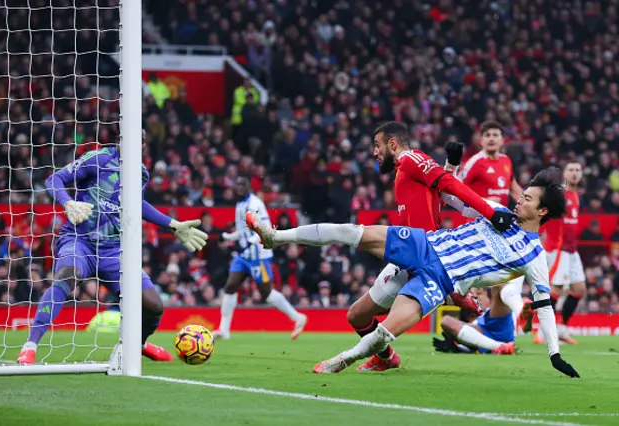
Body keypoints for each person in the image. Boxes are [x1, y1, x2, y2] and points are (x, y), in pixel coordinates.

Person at [245, 168, 580, 378]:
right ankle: (275, 236)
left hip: (441, 278)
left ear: (543, 210)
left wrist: (554, 353)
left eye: (527, 199)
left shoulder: (534, 257)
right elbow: (454, 195)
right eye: (521, 196)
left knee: (388, 329)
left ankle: (343, 360)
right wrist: (450, 169)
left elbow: (545, 308)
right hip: (424, 244)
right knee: (354, 232)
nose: (519, 201)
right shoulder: (500, 213)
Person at [17, 131, 208, 365]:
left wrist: (172, 224)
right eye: (127, 139)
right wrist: (67, 203)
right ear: (119, 140)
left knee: (154, 304)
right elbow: (54, 180)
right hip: (80, 240)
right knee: (67, 275)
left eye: (139, 142)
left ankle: (138, 345)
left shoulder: (140, 173)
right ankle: (30, 346)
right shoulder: (97, 159)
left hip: (113, 251)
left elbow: (137, 204)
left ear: (143, 146)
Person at [347, 122, 512, 372]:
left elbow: (449, 185)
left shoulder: (412, 158)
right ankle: (386, 357)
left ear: (393, 144)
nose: (374, 152)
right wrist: (452, 165)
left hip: (424, 257)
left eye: (377, 146)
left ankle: (458, 297)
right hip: (407, 257)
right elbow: (439, 198)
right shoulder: (406, 170)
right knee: (357, 315)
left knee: (381, 320)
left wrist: (490, 213)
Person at [214, 176, 307, 340]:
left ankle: (297, 317)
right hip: (244, 255)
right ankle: (224, 330)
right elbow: (243, 231)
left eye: (243, 185)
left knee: (267, 293)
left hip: (258, 255)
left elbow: (263, 229)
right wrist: (228, 237)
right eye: (238, 185)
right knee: (230, 286)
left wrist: (246, 244)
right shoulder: (240, 204)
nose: (240, 188)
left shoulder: (255, 205)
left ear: (249, 188)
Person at [456, 121, 526, 330]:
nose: (492, 138)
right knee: (472, 280)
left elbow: (514, 190)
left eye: (496, 134)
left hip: (500, 228)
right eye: (488, 135)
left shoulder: (506, 161)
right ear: (481, 139)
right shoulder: (475, 163)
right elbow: (455, 187)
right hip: (477, 229)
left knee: (500, 280)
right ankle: (513, 316)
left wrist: (529, 209)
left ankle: (503, 326)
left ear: (502, 140)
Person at [535, 161, 584, 345]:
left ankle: (561, 330)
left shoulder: (576, 195)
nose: (574, 173)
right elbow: (545, 215)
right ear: (564, 173)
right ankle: (543, 330)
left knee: (579, 289)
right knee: (556, 289)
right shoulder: (559, 194)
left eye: (577, 170)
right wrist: (541, 237)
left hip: (572, 251)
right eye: (571, 170)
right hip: (559, 249)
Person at [434, 287, 516, 355]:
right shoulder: (470, 317)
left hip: (497, 326)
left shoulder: (496, 311)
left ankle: (520, 309)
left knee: (498, 287)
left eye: (479, 293)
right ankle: (502, 347)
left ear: (489, 298)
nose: (475, 296)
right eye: (471, 294)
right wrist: (460, 347)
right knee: (446, 321)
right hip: (483, 334)